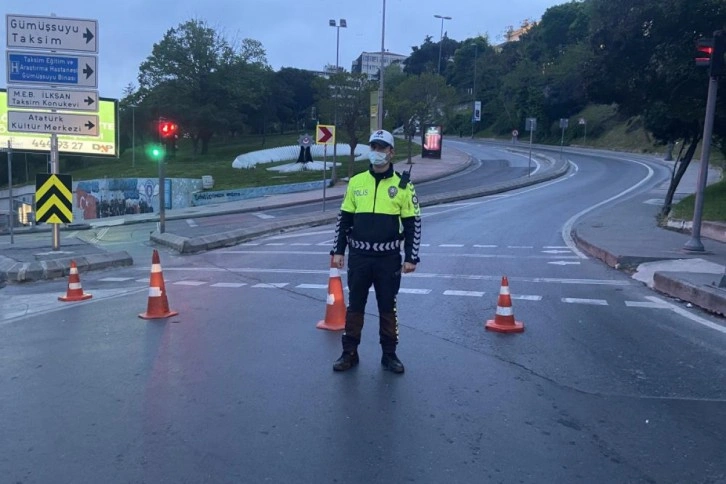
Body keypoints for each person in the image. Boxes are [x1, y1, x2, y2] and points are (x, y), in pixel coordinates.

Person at [330, 129, 422, 374]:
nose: (377, 153)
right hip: (359, 257)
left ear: (391, 152)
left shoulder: (403, 185)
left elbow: (414, 222)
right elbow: (344, 219)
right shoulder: (357, 181)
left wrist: (412, 257)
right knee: (355, 306)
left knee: (387, 307)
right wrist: (338, 250)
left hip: (388, 259)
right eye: (374, 147)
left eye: (382, 148)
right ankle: (349, 353)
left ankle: (389, 355)